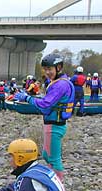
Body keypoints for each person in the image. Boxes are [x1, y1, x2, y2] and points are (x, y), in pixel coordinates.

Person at [14, 53, 75, 181]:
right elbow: (48, 101)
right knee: (47, 155)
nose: (47, 72)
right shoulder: (57, 82)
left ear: (58, 68)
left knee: (53, 158)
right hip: (52, 125)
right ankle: (52, 180)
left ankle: (58, 186)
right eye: (45, 69)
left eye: (50, 69)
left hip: (55, 126)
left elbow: (46, 104)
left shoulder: (60, 85)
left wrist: (27, 98)